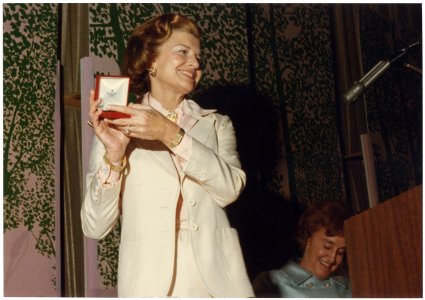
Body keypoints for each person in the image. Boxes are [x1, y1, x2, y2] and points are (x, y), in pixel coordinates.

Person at [81, 13, 254, 298]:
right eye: (183, 52)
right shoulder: (116, 126)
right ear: (150, 61)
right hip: (150, 286)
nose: (195, 63)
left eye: (198, 56)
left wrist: (170, 133)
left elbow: (230, 188)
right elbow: (95, 226)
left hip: (219, 285)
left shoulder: (217, 124)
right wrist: (114, 157)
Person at [253, 201, 353, 298]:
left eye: (340, 252)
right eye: (327, 246)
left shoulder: (349, 287)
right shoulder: (270, 282)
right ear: (309, 238)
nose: (332, 258)